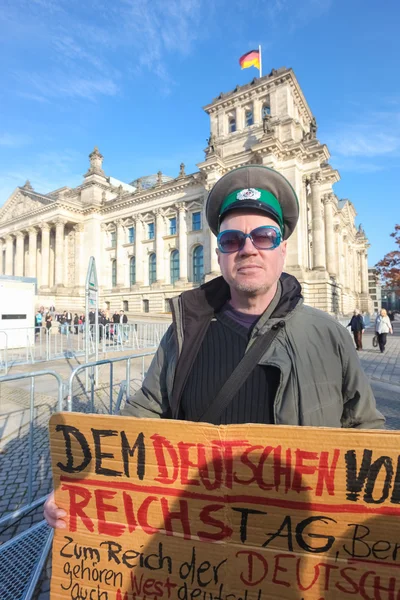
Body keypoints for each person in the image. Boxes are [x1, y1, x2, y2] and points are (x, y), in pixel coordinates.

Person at [44, 164, 384, 528]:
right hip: (200, 539)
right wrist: (85, 481)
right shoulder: (185, 331)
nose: (248, 250)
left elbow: (365, 429)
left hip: (297, 540)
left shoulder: (328, 335)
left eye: (264, 236)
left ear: (283, 249)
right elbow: (145, 412)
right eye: (232, 240)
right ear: (218, 252)